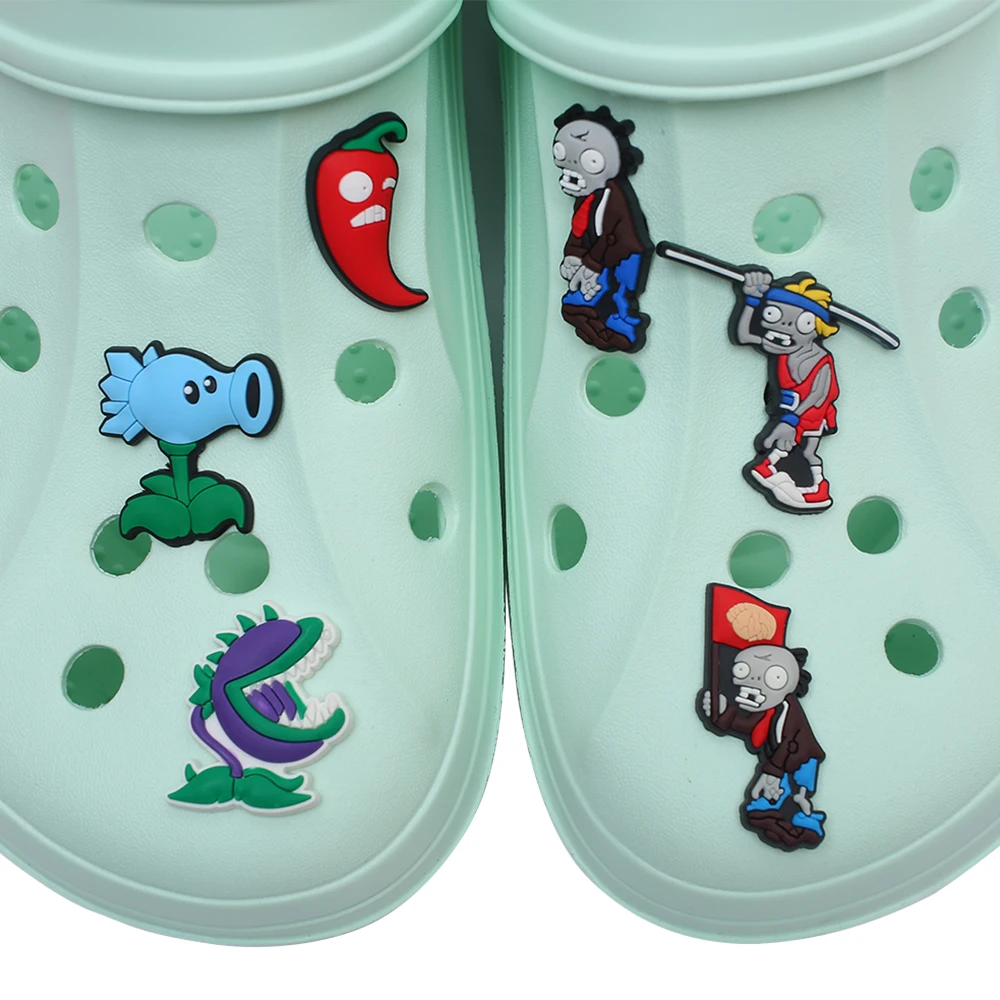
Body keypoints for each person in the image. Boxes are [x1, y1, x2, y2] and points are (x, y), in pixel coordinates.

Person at [553, 104, 653, 353]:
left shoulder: (614, 197)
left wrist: (592, 264)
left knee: (617, 297)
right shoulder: (586, 195)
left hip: (624, 256)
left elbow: (614, 237)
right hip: (600, 257)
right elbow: (579, 228)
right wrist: (574, 254)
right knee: (577, 304)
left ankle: (622, 329)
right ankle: (605, 329)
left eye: (589, 160)